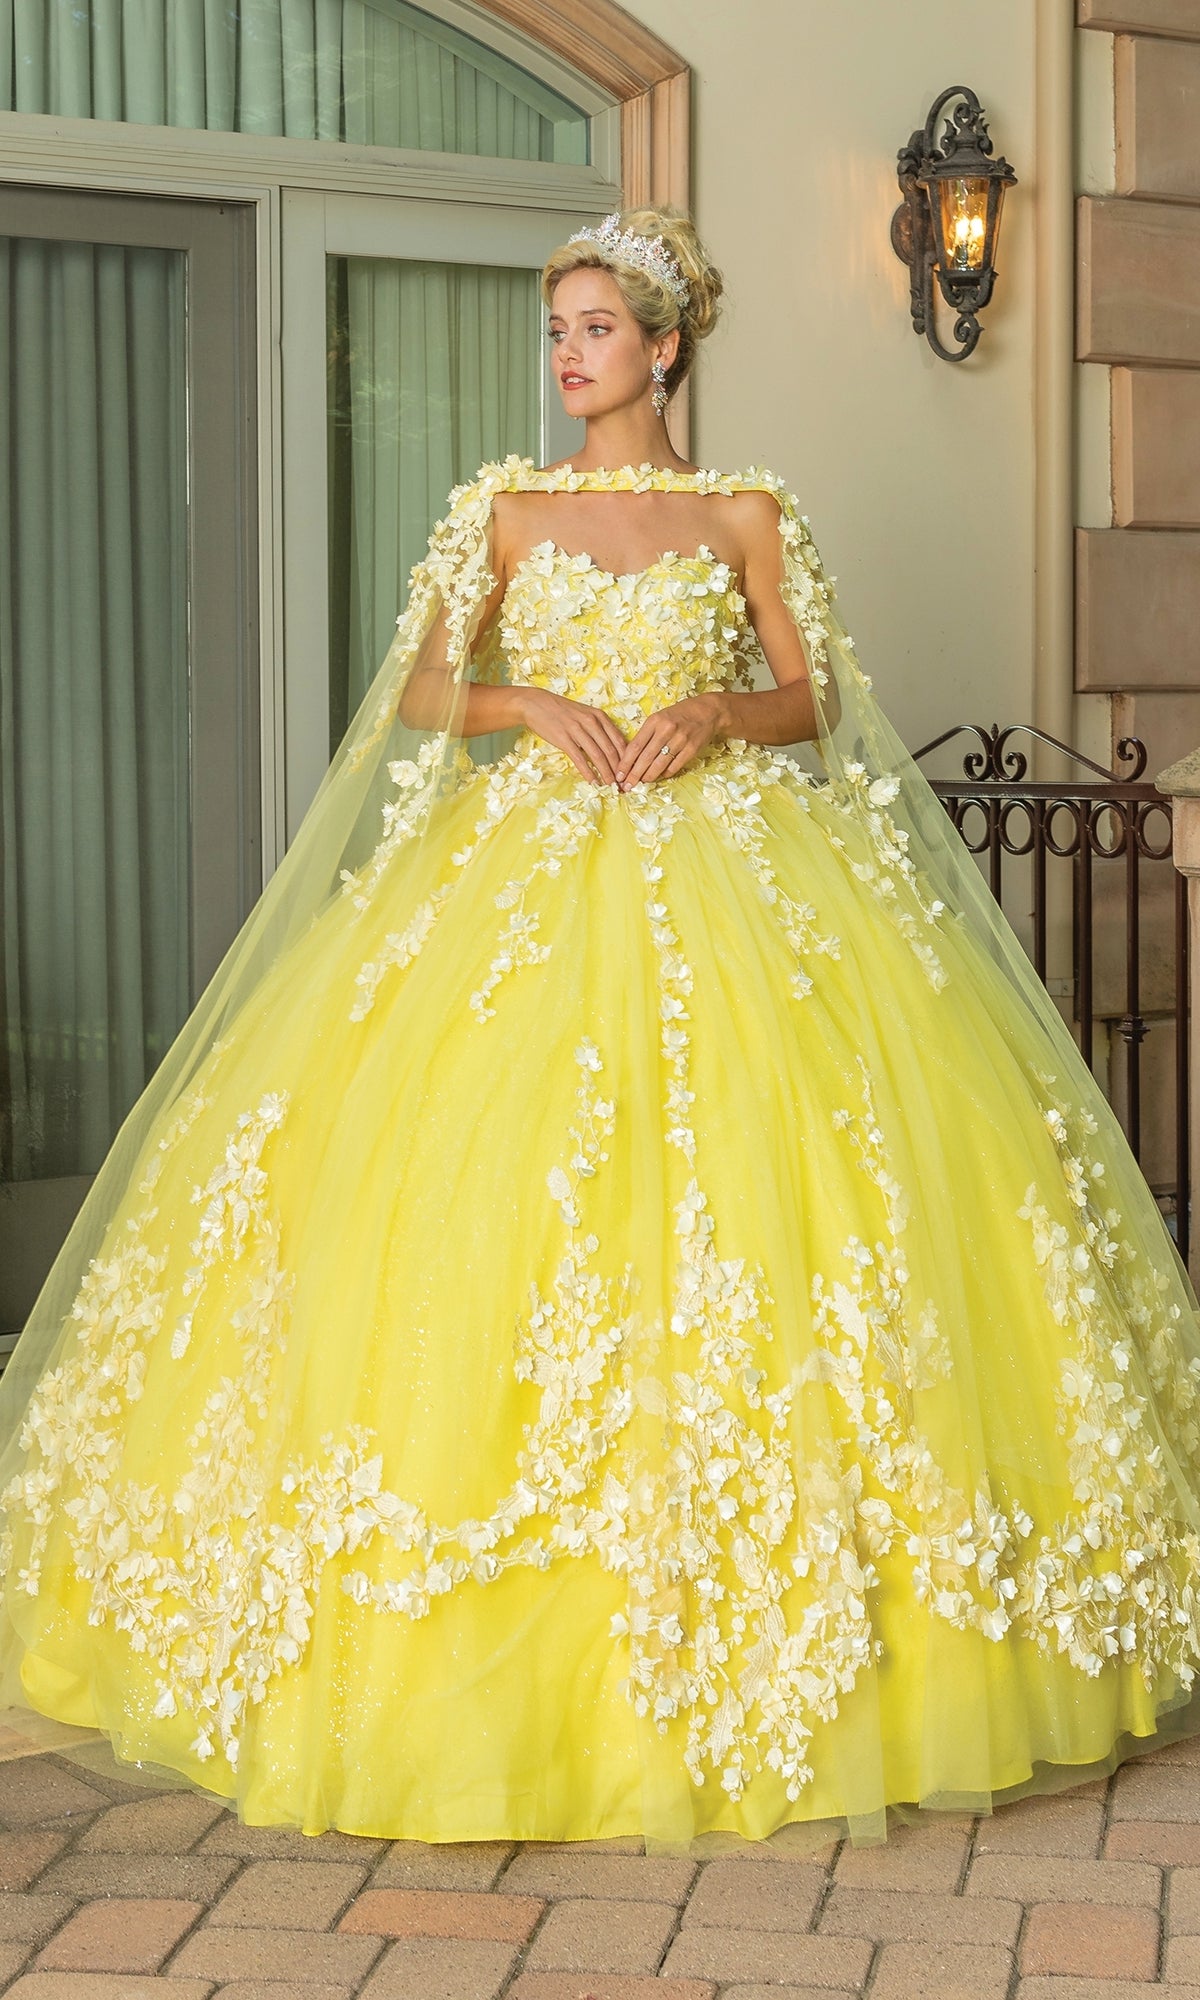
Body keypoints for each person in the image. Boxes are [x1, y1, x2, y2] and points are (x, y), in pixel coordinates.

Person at [2, 205, 1200, 1861]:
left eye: (591, 331)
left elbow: (819, 701)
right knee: (486, 1202)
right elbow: (423, 690)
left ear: (665, 347)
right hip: (533, 874)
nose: (564, 358)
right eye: (557, 331)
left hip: (739, 871)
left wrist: (719, 710)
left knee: (792, 1203)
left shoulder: (749, 511)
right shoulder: (501, 508)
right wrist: (527, 707)